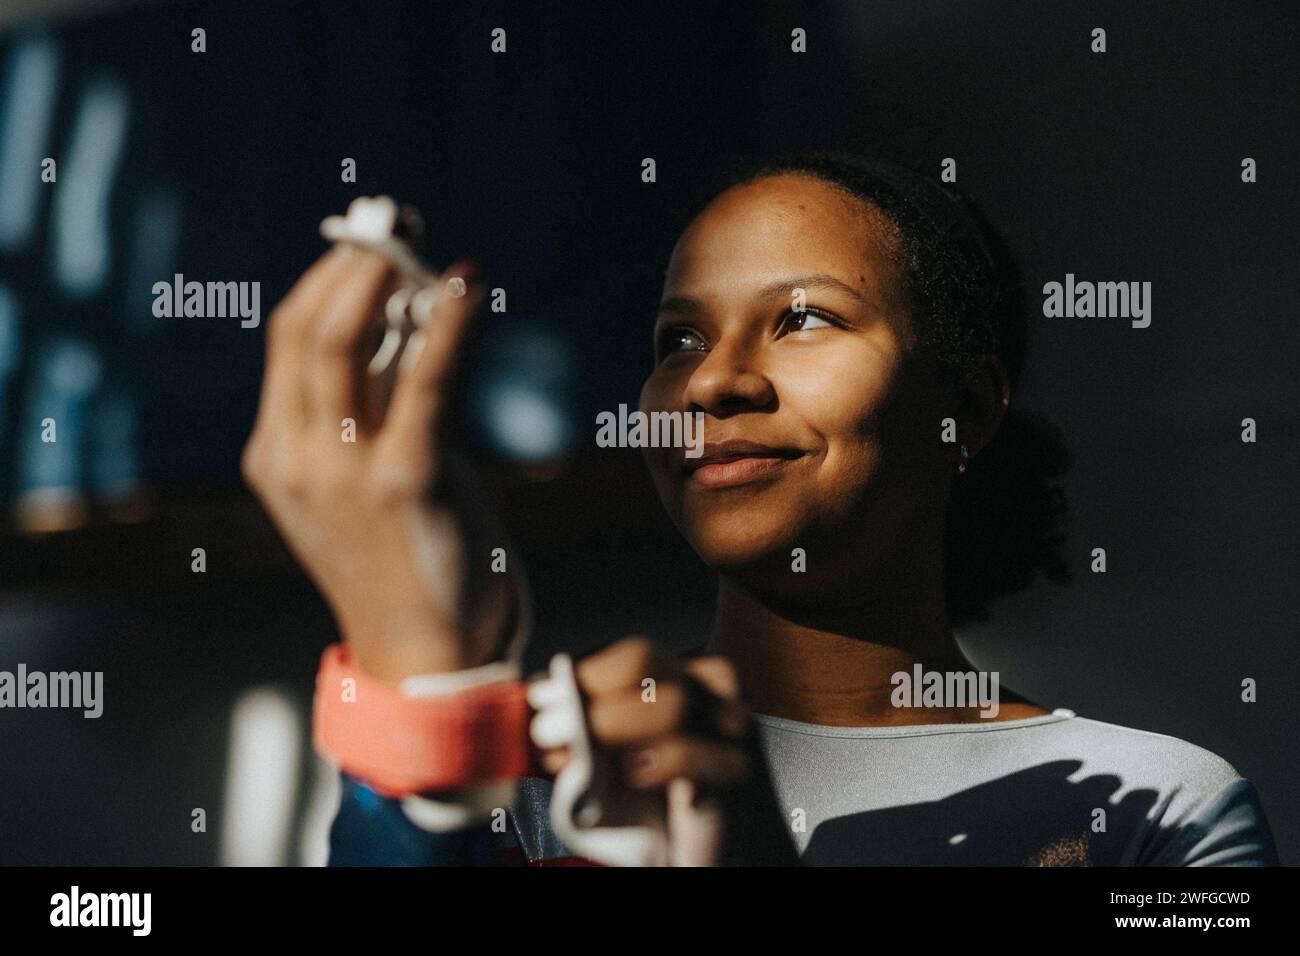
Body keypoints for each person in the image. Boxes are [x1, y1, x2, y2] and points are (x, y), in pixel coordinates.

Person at [242, 150, 1279, 866]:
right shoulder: (523, 783)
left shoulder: (1155, 805)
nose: (711, 383)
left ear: (959, 405)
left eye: (803, 318)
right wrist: (423, 685)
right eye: (677, 340)